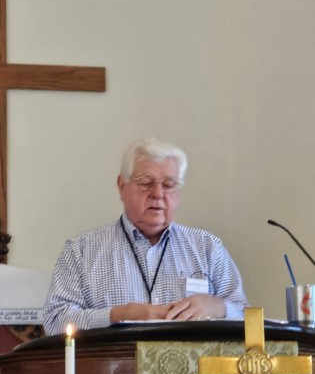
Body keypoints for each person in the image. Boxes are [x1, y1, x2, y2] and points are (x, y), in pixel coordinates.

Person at [43, 137, 248, 336]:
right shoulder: (81, 250)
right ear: (121, 186)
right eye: (146, 182)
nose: (158, 194)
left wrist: (216, 307)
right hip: (115, 360)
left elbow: (247, 317)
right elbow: (55, 321)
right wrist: (119, 315)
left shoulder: (208, 247)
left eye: (169, 185)